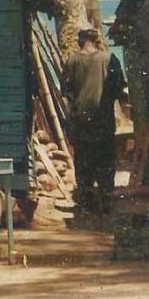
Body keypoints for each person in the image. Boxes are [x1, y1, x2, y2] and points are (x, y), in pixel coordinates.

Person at [63, 27, 129, 215]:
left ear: (80, 41)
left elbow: (66, 93)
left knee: (84, 163)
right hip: (104, 123)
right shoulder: (110, 59)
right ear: (96, 41)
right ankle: (106, 201)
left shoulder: (72, 61)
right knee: (106, 162)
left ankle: (86, 203)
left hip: (81, 125)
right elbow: (120, 90)